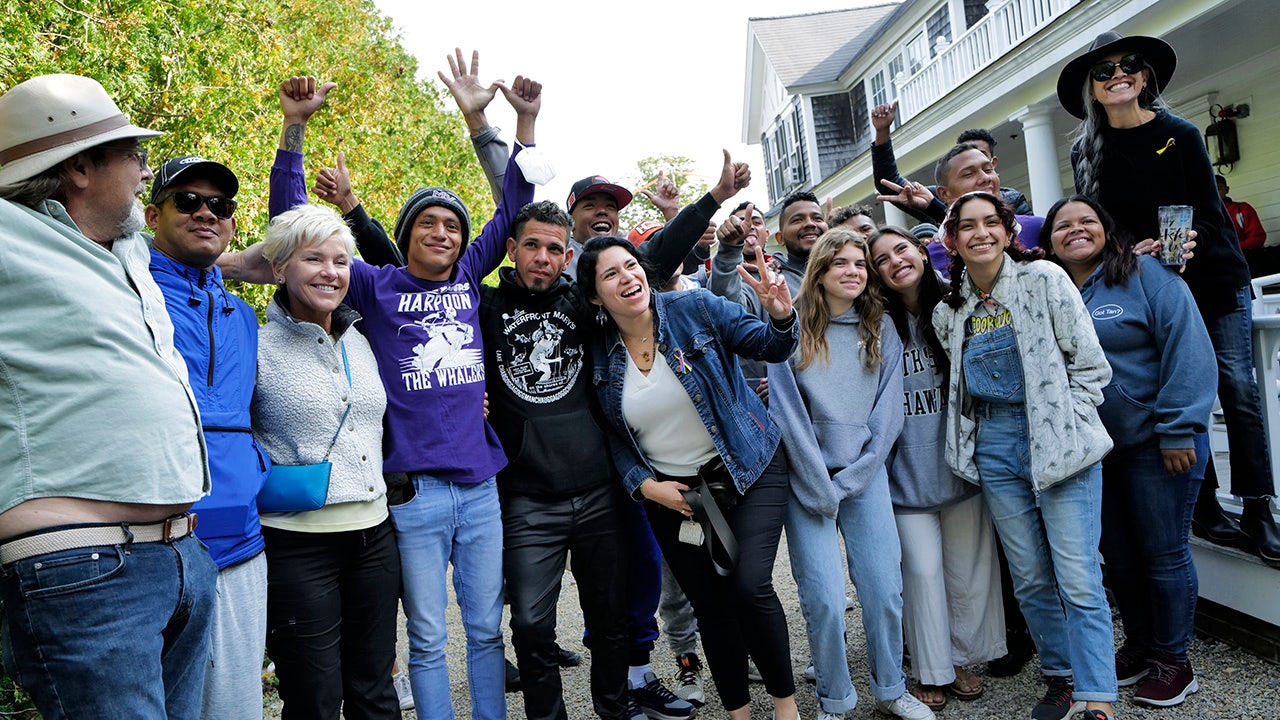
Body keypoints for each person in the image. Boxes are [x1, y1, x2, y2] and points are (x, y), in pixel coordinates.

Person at [221, 51, 540, 720]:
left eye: (453, 225)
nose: (443, 232)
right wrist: (294, 131)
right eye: (428, 222)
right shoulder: (373, 285)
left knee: (485, 630)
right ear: (405, 235)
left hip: (480, 488)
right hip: (413, 495)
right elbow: (295, 231)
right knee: (426, 638)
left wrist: (512, 122)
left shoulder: (465, 281)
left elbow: (514, 207)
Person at [0, 73, 216, 719]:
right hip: (80, 569)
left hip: (178, 556)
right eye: (134, 155)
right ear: (80, 168)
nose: (146, 171)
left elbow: (210, 253)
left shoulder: (126, 250)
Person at [1057, 30, 1280, 564]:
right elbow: (1097, 224)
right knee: (1170, 391)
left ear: (1145, 75)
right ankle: (1202, 503)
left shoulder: (1179, 134)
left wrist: (1181, 243)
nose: (1118, 76)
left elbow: (1206, 209)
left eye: (1128, 65)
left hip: (1212, 279)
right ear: (1092, 87)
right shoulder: (1086, 151)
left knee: (1236, 387)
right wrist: (1134, 249)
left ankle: (1257, 507)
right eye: (1104, 70)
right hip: (1148, 289)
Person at [580, 235, 799, 720]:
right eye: (610, 274)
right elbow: (610, 434)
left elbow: (770, 347)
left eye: (631, 266)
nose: (627, 278)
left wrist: (780, 315)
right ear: (595, 296)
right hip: (674, 496)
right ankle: (738, 713)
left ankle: (787, 709)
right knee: (712, 607)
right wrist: (644, 484)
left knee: (748, 586)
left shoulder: (694, 307)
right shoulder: (596, 353)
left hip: (747, 468)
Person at [932, 191, 1116, 720]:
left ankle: (1097, 694)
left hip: (1059, 442)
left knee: (1078, 574)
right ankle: (1062, 676)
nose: (980, 233)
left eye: (991, 222)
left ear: (1009, 232)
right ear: (952, 240)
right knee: (1031, 576)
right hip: (993, 444)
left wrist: (1069, 421)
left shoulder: (1046, 280)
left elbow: (1090, 367)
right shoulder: (954, 310)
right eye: (967, 225)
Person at [1042, 195, 1216, 708]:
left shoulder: (1144, 275)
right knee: (1118, 557)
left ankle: (1174, 661)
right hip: (1092, 451)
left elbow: (1187, 346)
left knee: (1163, 555)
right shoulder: (1049, 289)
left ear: (1106, 229)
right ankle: (1140, 645)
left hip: (1158, 444)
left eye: (1087, 222)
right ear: (1048, 240)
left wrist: (1179, 427)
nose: (1075, 231)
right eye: (1062, 226)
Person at [768, 228, 936, 720]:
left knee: (884, 588)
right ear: (819, 271)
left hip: (864, 478)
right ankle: (835, 699)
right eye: (840, 262)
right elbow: (786, 413)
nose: (853, 271)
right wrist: (819, 481)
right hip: (806, 479)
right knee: (821, 597)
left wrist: (851, 480)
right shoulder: (790, 326)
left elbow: (888, 418)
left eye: (861, 264)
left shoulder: (881, 328)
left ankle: (891, 688)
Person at [250, 204, 400, 718]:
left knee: (375, 688)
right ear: (279, 268)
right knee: (314, 697)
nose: (330, 272)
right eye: (313, 258)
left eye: (340, 261)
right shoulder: (256, 344)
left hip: (376, 536)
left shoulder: (360, 339)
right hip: (297, 544)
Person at [144, 155, 271, 720]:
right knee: (164, 705)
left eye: (218, 205)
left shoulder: (244, 315)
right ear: (152, 213)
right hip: (154, 541)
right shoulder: (128, 291)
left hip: (242, 539)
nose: (205, 212)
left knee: (235, 704)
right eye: (187, 200)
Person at [866, 226, 1005, 711]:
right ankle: (930, 668)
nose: (894, 261)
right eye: (881, 258)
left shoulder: (958, 306)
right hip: (904, 476)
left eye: (901, 249)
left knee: (967, 575)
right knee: (921, 573)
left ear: (922, 252)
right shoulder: (873, 322)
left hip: (962, 468)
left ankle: (962, 660)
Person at [870, 100, 1032, 222]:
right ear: (944, 193)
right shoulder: (930, 199)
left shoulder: (1014, 200)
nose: (984, 178)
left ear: (993, 163)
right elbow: (889, 183)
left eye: (986, 167)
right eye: (968, 171)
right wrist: (882, 132)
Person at [1217, 174, 1269, 277]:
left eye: (1218, 188)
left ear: (1226, 190)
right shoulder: (1204, 215)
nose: (1214, 192)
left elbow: (1258, 238)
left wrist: (1233, 248)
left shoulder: (1242, 209)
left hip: (1244, 258)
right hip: (1219, 262)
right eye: (1211, 189)